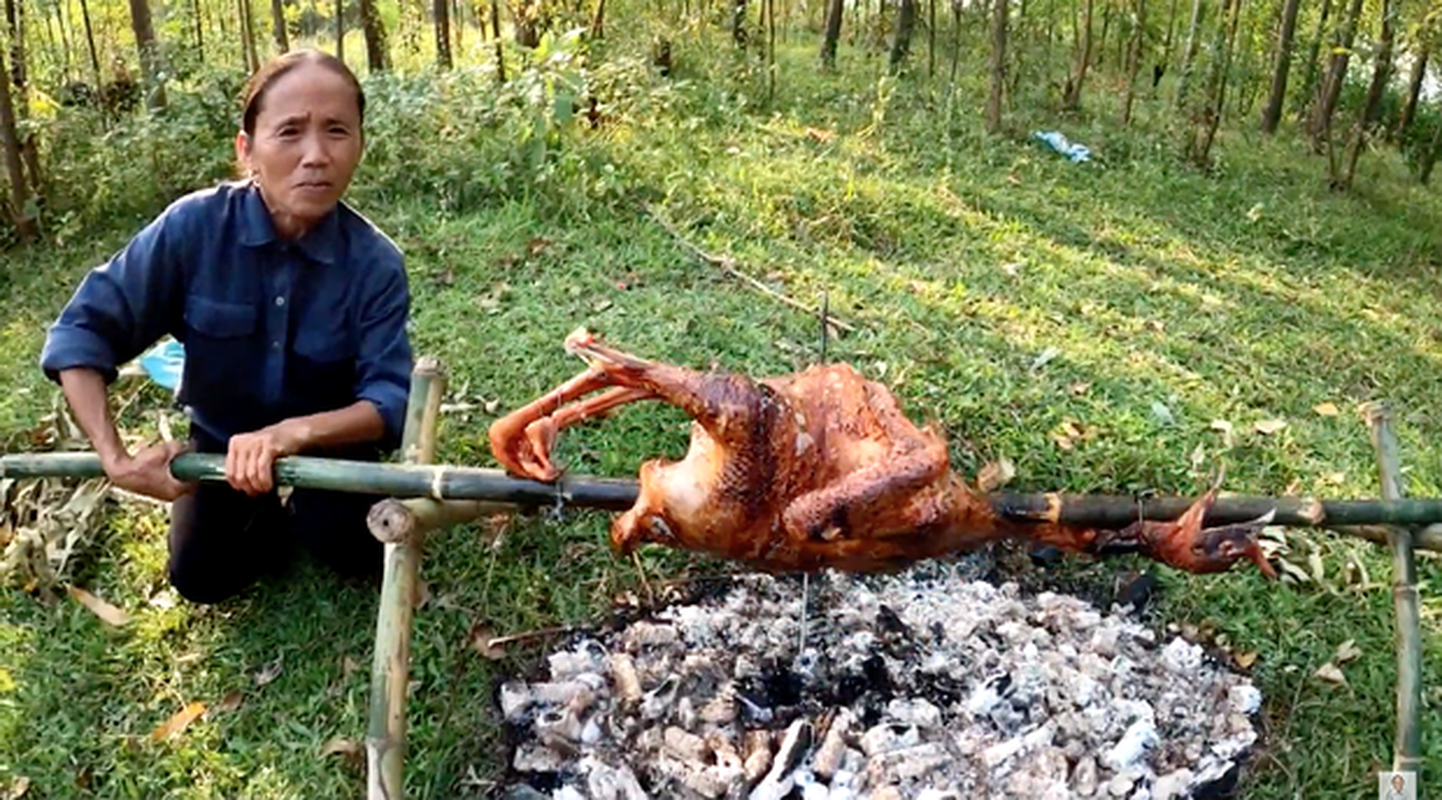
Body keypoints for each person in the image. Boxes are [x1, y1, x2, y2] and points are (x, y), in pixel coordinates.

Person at [38, 49, 413, 603]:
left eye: (337, 130)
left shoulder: (375, 264)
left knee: (352, 549)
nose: (316, 155)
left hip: (330, 450)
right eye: (289, 132)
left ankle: (306, 512)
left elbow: (389, 400)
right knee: (201, 577)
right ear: (247, 150)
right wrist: (116, 460)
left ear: (359, 144)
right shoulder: (193, 229)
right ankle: (263, 515)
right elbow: (81, 333)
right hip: (218, 452)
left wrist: (293, 435)